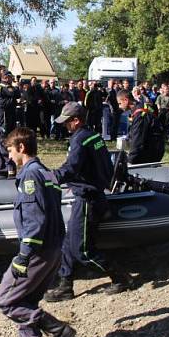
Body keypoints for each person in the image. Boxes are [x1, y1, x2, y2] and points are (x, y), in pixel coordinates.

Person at [0, 127, 76, 337]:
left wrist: (23, 256)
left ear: (21, 148)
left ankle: (58, 329)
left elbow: (34, 220)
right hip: (52, 249)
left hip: (37, 251)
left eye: (10, 150)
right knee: (25, 298)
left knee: (6, 300)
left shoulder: (30, 177)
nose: (9, 156)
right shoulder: (47, 173)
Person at [44, 102, 134, 302]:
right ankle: (65, 286)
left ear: (76, 121)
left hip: (87, 200)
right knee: (67, 245)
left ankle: (120, 277)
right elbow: (100, 168)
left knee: (82, 250)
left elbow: (71, 168)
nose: (65, 126)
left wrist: (49, 177)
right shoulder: (95, 137)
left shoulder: (79, 140)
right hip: (94, 193)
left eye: (67, 122)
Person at [118, 90, 165, 164]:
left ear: (126, 100)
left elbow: (138, 140)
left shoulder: (140, 114)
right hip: (154, 147)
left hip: (151, 151)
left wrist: (130, 160)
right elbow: (134, 132)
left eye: (120, 103)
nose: (119, 106)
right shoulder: (140, 108)